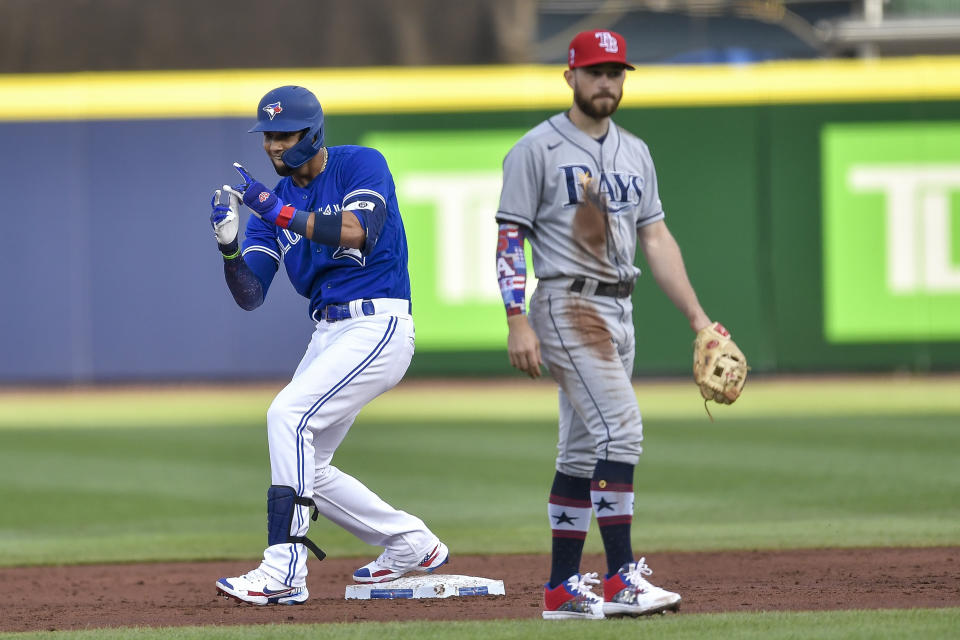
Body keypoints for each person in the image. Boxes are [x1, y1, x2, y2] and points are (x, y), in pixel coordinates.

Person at [495, 30, 722, 620]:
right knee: (622, 429)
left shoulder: (636, 152)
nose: (606, 83)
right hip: (568, 305)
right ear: (570, 76)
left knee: (578, 451)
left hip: (621, 307)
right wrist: (517, 318)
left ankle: (561, 591)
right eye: (595, 72)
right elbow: (509, 236)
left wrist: (699, 319)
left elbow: (656, 237)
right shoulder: (536, 150)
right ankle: (621, 579)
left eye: (616, 72)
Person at [209, 85, 448, 606]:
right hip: (329, 332)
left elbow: (358, 231)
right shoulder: (272, 209)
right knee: (309, 463)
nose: (273, 146)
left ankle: (284, 569)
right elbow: (251, 294)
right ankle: (411, 543)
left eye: (283, 134)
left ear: (312, 132)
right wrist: (229, 250)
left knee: (286, 415)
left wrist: (276, 210)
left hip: (377, 322)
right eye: (267, 136)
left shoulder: (360, 164)